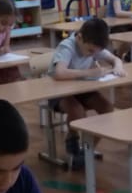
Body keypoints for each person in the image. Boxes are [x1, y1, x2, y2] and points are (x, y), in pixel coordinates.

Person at [47, 19, 124, 170]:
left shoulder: (93, 44)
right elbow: (59, 73)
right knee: (78, 112)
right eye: (90, 51)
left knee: (107, 108)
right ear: (80, 37)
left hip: (81, 89)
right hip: (58, 91)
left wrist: (118, 67)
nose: (92, 54)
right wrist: (89, 72)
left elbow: (115, 59)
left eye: (95, 52)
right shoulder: (67, 46)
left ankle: (87, 148)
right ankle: (72, 137)